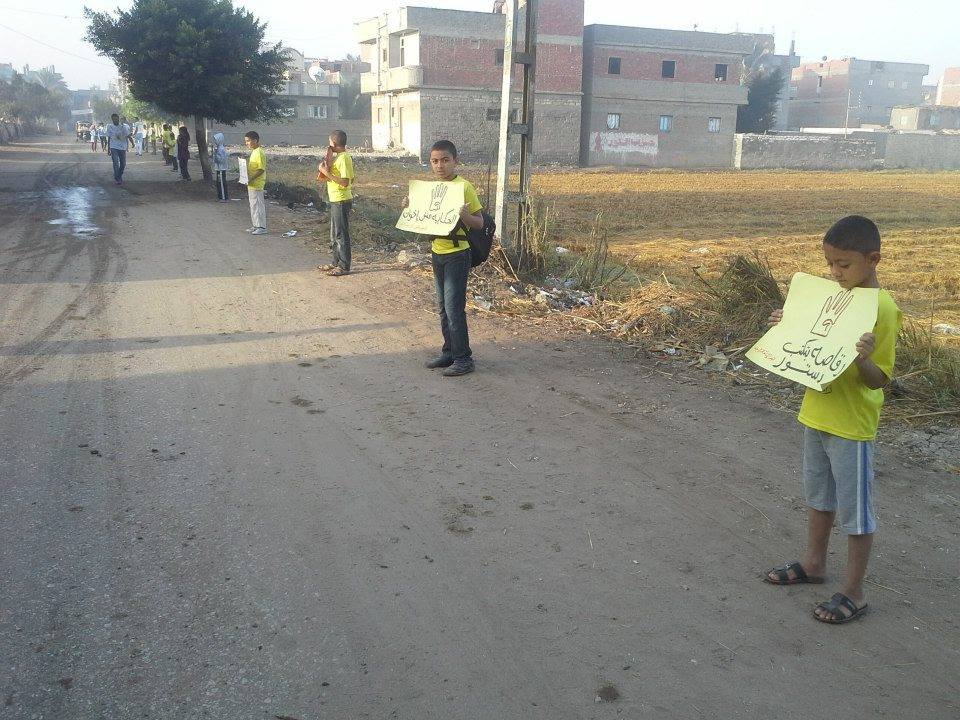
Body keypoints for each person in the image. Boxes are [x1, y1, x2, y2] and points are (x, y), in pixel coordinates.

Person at [763, 215, 902, 624]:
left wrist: (862, 358)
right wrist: (785, 327)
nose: (835, 273)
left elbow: (879, 380)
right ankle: (814, 564)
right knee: (818, 497)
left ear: (873, 259)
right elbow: (808, 343)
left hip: (851, 426)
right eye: (829, 264)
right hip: (817, 413)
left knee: (855, 511)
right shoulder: (830, 298)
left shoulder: (883, 309)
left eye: (843, 264)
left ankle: (854, 591)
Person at [416, 139, 484, 377]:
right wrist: (409, 208)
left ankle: (464, 359)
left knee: (454, 309)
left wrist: (465, 215)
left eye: (445, 160)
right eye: (435, 161)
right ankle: (449, 352)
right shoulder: (431, 189)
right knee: (443, 308)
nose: (440, 165)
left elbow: (479, 223)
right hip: (437, 252)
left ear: (455, 161)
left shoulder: (463, 187)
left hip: (457, 254)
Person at [316, 130, 355, 276]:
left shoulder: (344, 158)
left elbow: (345, 182)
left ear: (333, 143)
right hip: (335, 199)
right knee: (334, 235)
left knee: (341, 234)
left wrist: (326, 173)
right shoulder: (337, 158)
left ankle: (344, 266)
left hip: (341, 200)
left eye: (329, 142)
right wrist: (325, 172)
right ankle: (335, 262)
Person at [244, 131, 267, 235]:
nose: (247, 143)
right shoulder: (254, 152)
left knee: (258, 206)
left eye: (248, 141)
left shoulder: (259, 152)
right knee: (253, 205)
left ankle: (262, 227)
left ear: (255, 140)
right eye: (246, 141)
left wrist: (250, 179)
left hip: (257, 184)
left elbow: (261, 169)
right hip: (252, 184)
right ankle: (255, 225)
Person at [106, 113, 131, 185]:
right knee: (115, 163)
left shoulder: (123, 127)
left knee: (123, 163)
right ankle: (118, 178)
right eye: (113, 119)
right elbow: (109, 138)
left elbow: (128, 135)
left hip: (122, 147)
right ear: (112, 119)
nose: (115, 120)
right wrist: (108, 149)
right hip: (113, 147)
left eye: (116, 119)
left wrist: (132, 143)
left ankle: (119, 175)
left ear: (118, 119)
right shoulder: (109, 127)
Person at [212, 132, 230, 202]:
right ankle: (220, 197)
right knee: (219, 183)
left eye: (216, 140)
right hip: (219, 169)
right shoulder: (219, 148)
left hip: (221, 169)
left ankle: (223, 197)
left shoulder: (221, 149)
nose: (215, 142)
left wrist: (216, 154)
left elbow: (221, 160)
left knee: (221, 183)